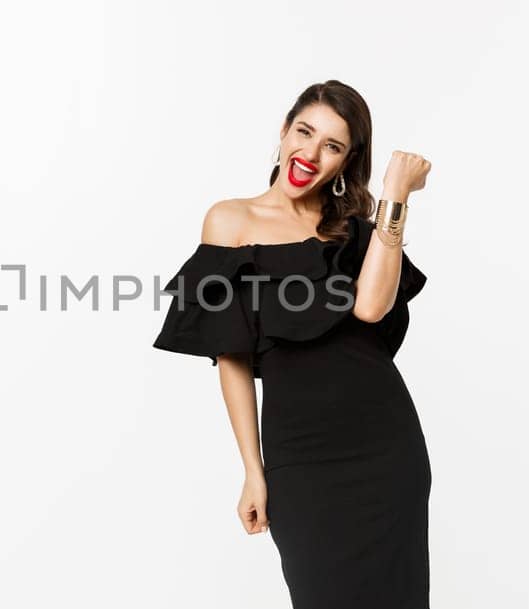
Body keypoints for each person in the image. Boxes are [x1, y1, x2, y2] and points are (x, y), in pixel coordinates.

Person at [152, 79, 434, 608]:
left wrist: (395, 198)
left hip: (385, 448)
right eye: (304, 132)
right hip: (301, 458)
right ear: (283, 132)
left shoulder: (350, 229)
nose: (311, 153)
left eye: (332, 145)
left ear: (347, 160)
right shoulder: (230, 221)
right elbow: (230, 354)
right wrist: (252, 472)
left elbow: (371, 308)